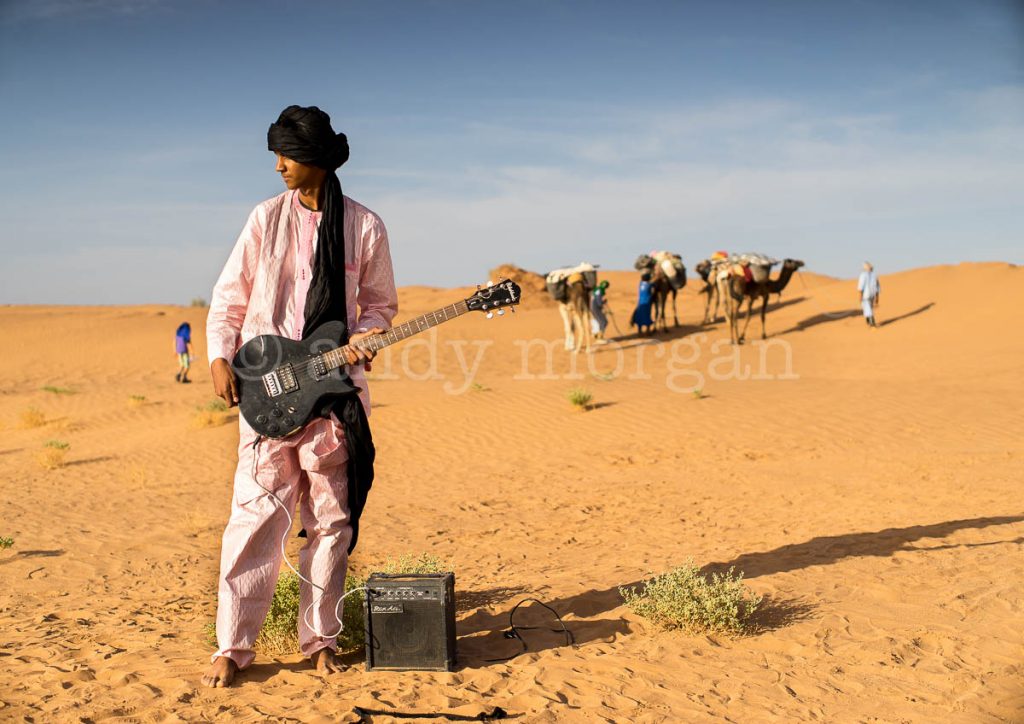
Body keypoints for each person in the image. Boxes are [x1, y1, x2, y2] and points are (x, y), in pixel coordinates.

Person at [201, 106, 397, 688]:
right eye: (277, 155)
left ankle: (321, 639)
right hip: (266, 392)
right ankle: (233, 647)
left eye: (288, 155)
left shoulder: (364, 227)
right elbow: (229, 297)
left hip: (333, 398)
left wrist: (370, 336)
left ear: (316, 159)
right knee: (255, 516)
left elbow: (381, 307)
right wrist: (217, 355)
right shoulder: (265, 219)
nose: (280, 165)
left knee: (331, 521)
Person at [858, 261, 880, 327]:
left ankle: (871, 322)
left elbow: (860, 287)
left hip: (866, 295)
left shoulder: (863, 275)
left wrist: (860, 296)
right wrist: (877, 298)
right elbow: (877, 287)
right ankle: (868, 321)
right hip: (872, 294)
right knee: (868, 308)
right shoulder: (875, 275)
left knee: (868, 309)